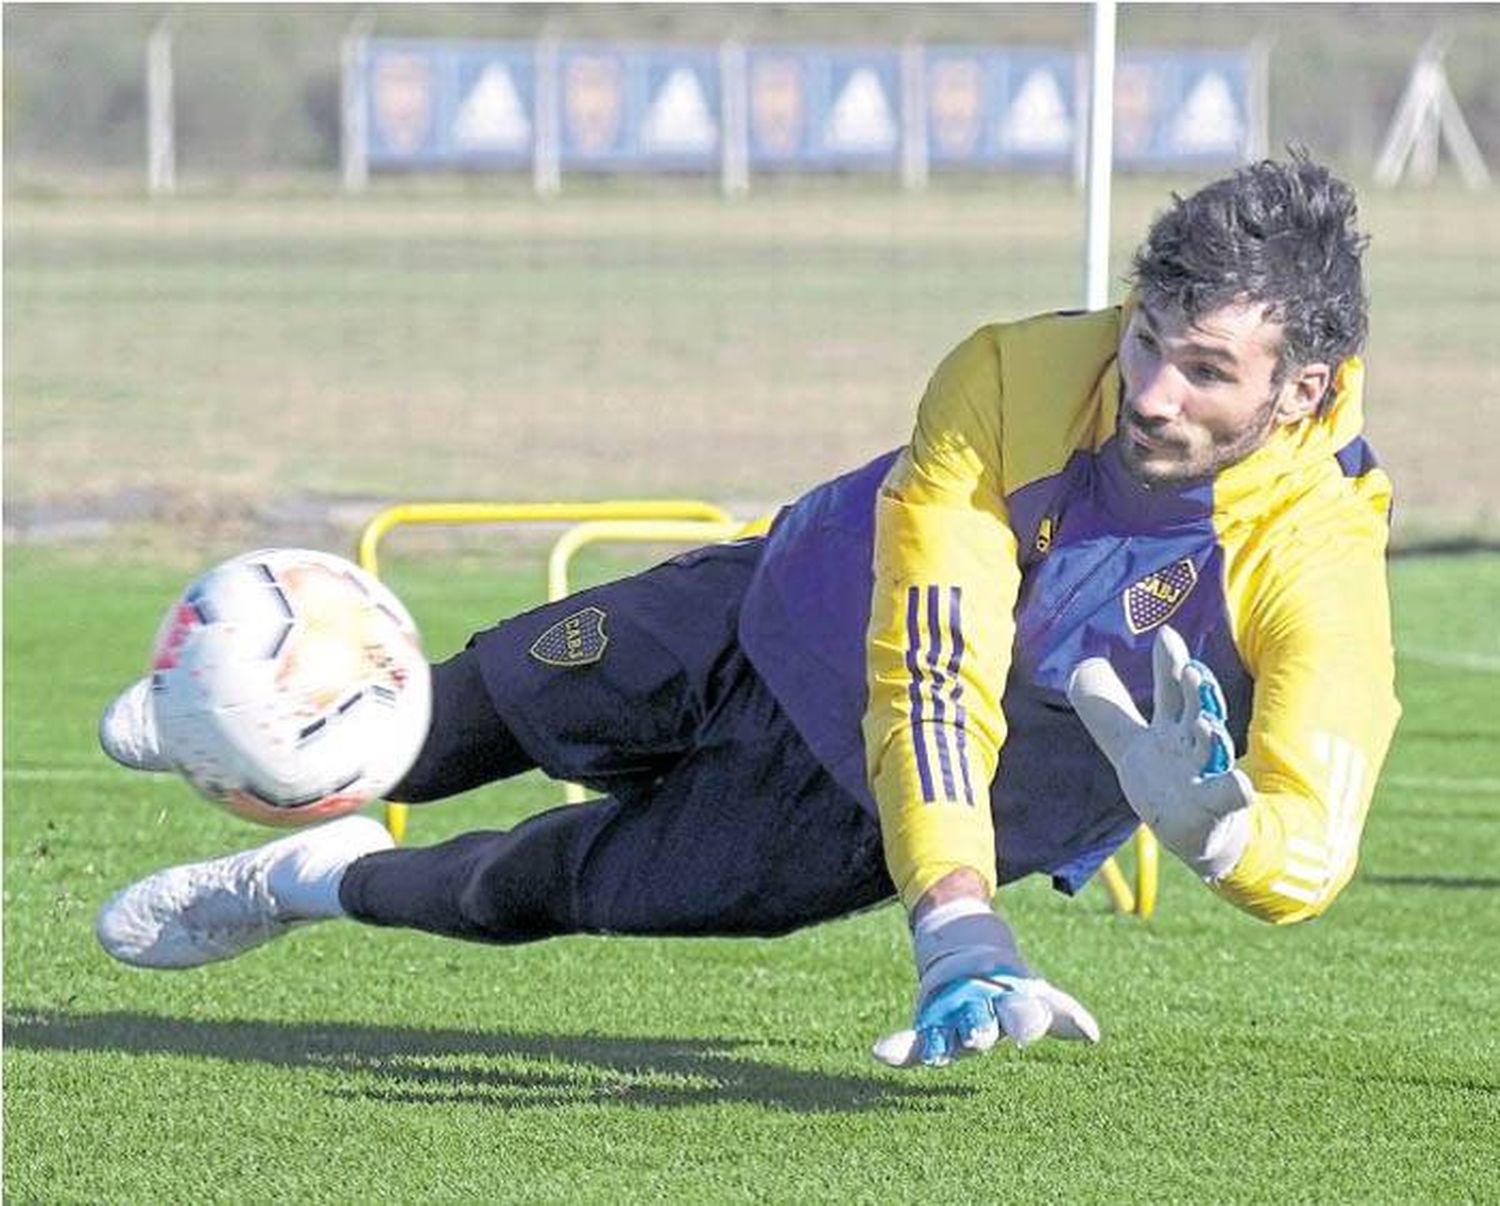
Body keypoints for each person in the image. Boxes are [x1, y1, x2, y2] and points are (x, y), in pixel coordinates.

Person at [95, 151, 1400, 1069]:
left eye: (1207, 368)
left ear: (1304, 390)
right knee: (452, 711)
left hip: (848, 814)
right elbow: (932, 670)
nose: (1154, 388)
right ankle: (216, 705)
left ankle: (303, 882)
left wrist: (1224, 839)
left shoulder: (1320, 562)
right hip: (767, 606)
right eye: (1149, 334)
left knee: (530, 885)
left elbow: (1314, 849)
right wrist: (960, 918)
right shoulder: (1013, 371)